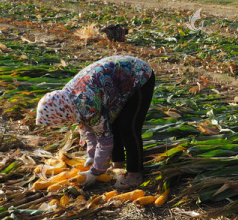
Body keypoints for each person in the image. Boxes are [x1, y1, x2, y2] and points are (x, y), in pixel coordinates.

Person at [36, 55, 155, 188]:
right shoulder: (67, 100)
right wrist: (92, 157)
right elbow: (89, 129)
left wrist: (95, 172)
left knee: (128, 128)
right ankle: (118, 166)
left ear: (62, 113)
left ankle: (135, 174)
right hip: (118, 81)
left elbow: (105, 140)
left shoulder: (86, 104)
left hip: (138, 76)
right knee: (113, 124)